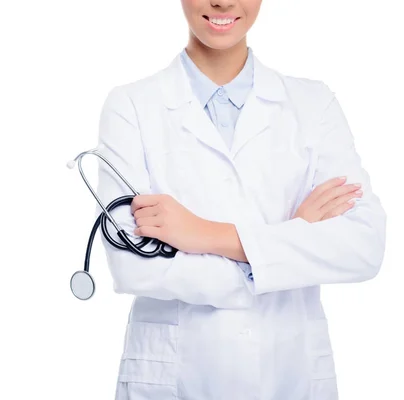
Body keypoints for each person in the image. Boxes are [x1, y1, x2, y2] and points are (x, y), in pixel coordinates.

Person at [94, 0, 387, 399]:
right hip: (175, 381)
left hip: (291, 374)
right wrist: (286, 247)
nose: (224, 2)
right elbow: (133, 267)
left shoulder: (313, 104)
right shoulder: (131, 106)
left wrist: (204, 235)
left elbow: (363, 246)